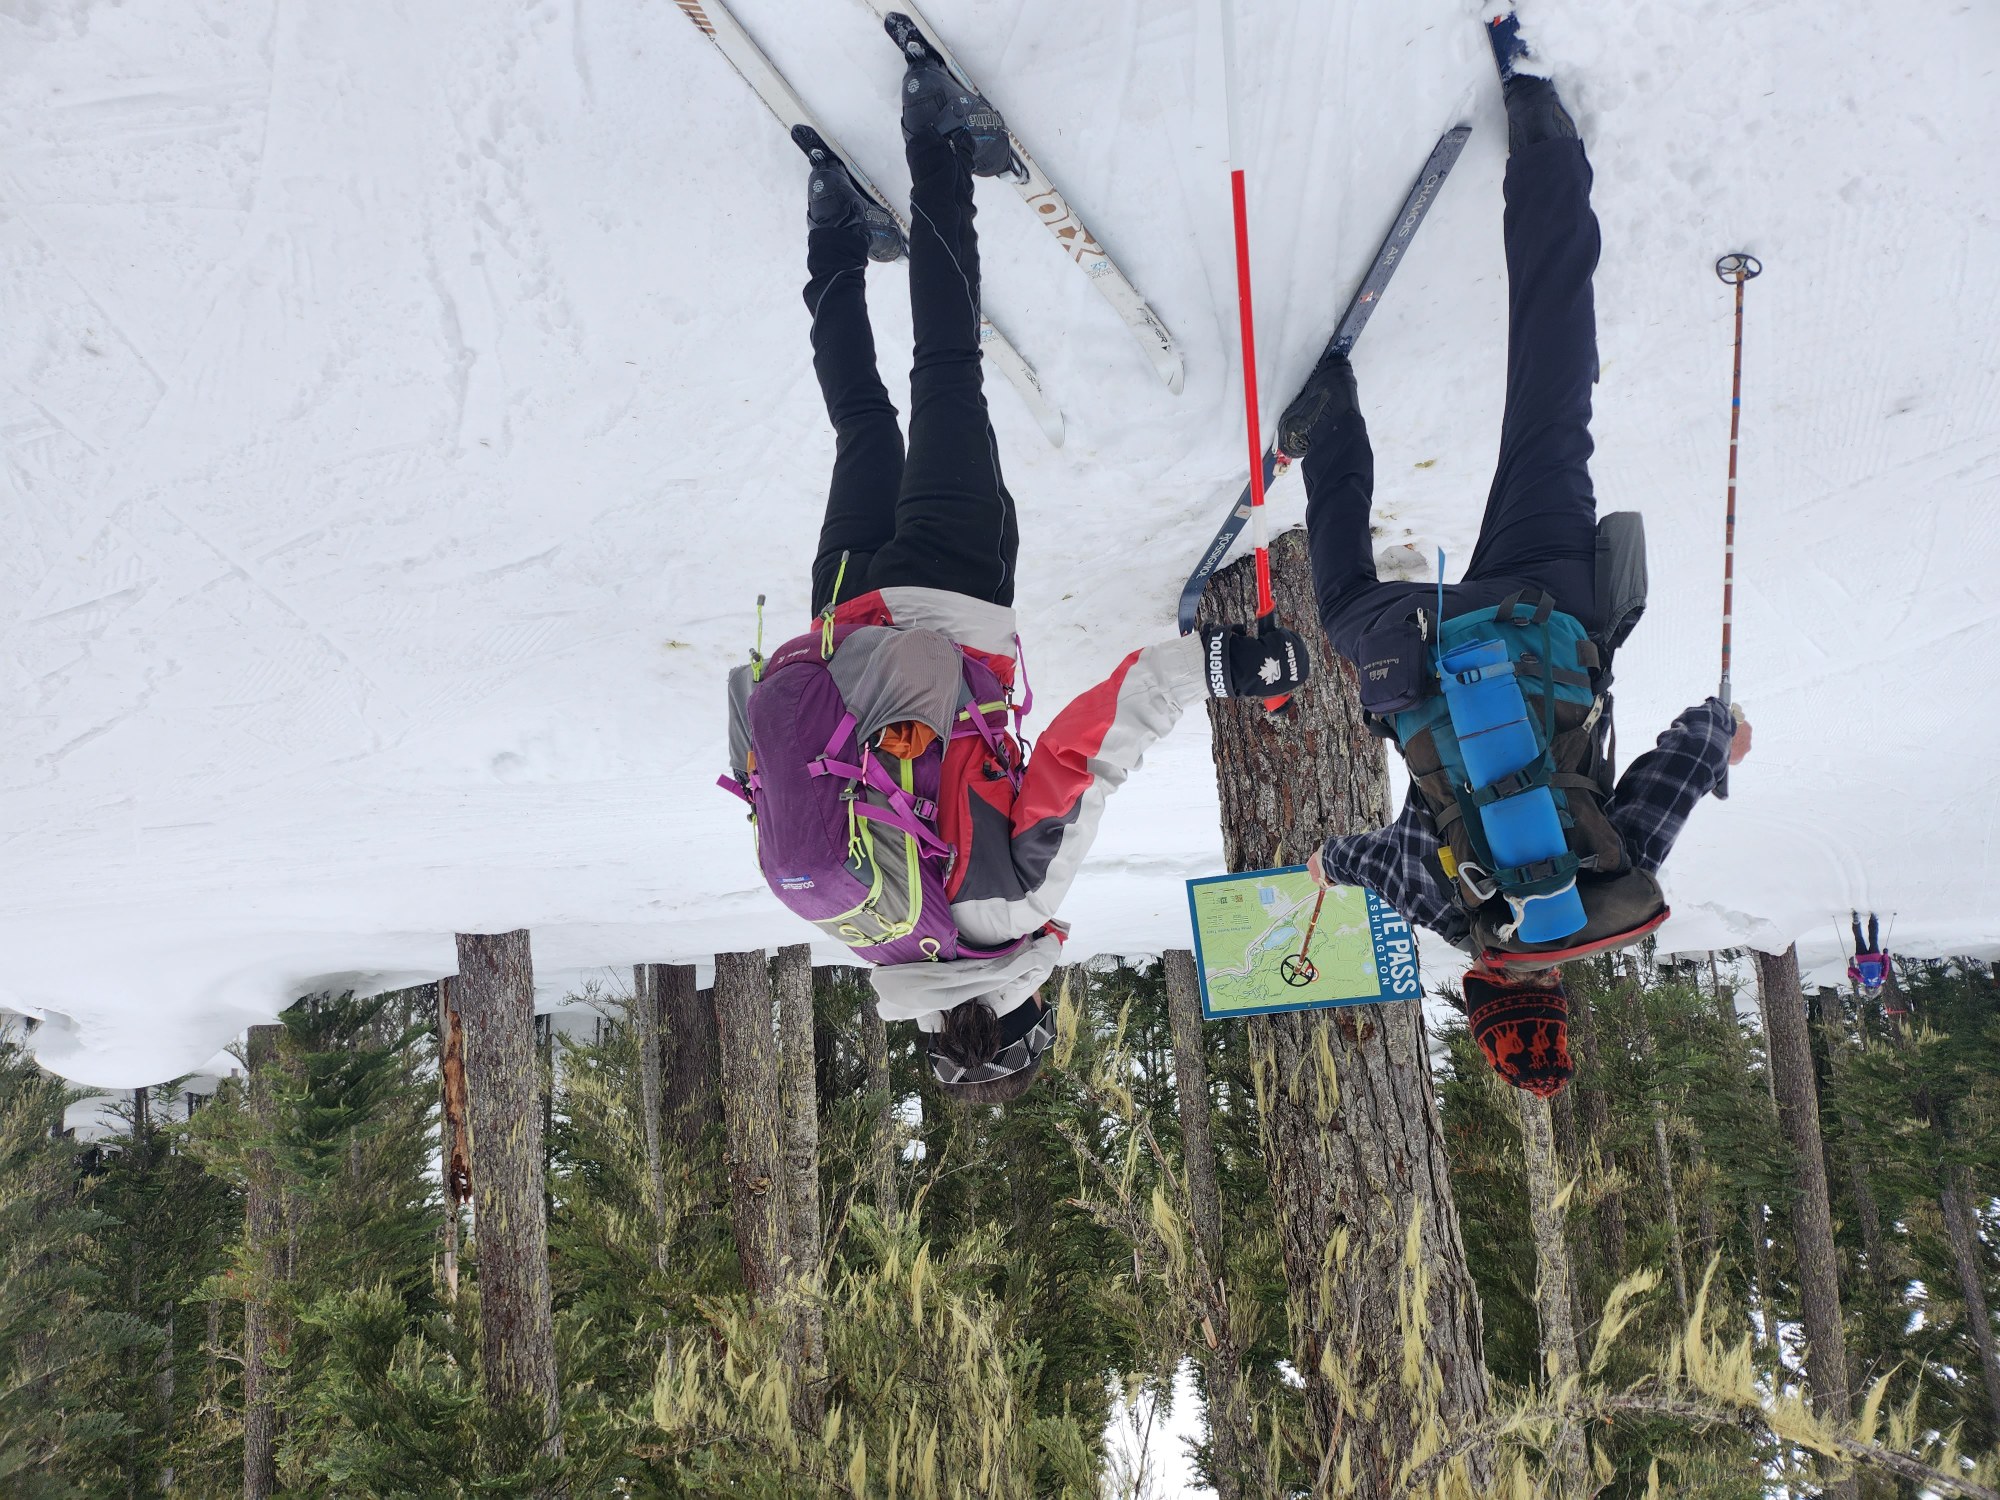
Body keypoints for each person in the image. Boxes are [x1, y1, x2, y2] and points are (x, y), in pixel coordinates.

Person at [725, 18, 1308, 1105]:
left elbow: (1096, 744)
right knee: (864, 426)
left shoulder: (1013, 911)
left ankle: (936, 135)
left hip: (946, 595)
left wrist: (1218, 667)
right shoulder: (867, 923)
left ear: (1023, 1007)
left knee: (947, 368)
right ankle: (832, 232)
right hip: (840, 620)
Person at [1293, 14, 1752, 1098]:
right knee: (1342, 598)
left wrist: (1720, 734)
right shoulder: (1439, 904)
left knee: (1550, 402)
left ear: (1556, 1002)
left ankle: (1541, 138)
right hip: (1415, 641)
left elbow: (1681, 764)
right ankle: (1329, 422)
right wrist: (1322, 865)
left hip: (1550, 614)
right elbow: (1354, 860)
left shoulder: (1610, 889)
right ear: (1482, 998)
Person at [1847, 911, 1890, 997]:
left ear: (1877, 989)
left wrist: (1885, 955)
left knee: (1873, 938)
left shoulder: (1881, 979)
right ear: (1866, 989)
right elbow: (1850, 970)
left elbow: (1886, 966)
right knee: (1858, 939)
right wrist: (1850, 976)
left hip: (1875, 958)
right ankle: (1856, 922)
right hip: (1861, 958)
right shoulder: (1862, 980)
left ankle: (1873, 919)